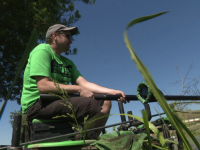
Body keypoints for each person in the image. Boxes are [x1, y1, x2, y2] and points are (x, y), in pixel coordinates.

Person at [21, 24, 127, 137]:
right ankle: (81, 141)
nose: (71, 41)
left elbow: (85, 84)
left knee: (105, 101)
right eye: (67, 36)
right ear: (54, 36)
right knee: (90, 104)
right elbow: (43, 86)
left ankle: (91, 139)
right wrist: (79, 89)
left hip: (58, 100)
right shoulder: (42, 50)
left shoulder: (68, 63)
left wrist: (112, 92)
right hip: (37, 104)